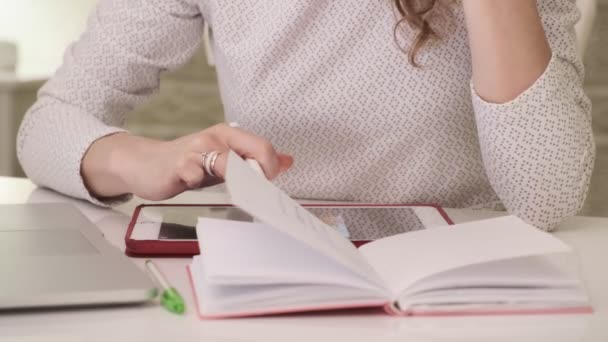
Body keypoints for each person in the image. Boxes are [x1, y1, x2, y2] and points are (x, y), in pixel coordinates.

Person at [17, 0, 594, 232]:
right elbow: (50, 123)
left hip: (464, 293)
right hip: (286, 278)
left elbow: (545, 195)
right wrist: (145, 159)